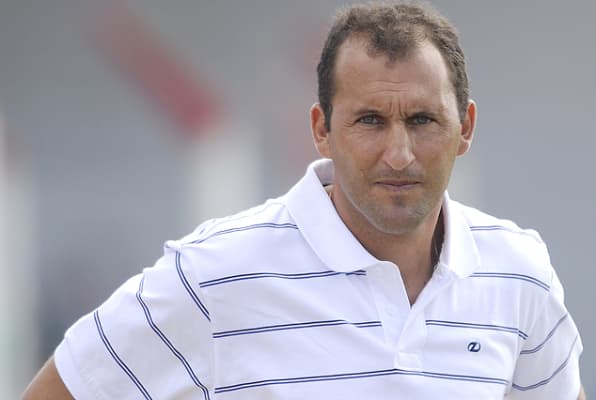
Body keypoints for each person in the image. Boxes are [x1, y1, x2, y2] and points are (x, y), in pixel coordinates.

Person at [23, 1, 585, 399]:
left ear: (466, 128)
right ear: (321, 129)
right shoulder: (214, 274)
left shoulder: (518, 274)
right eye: (370, 121)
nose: (398, 154)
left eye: (422, 120)